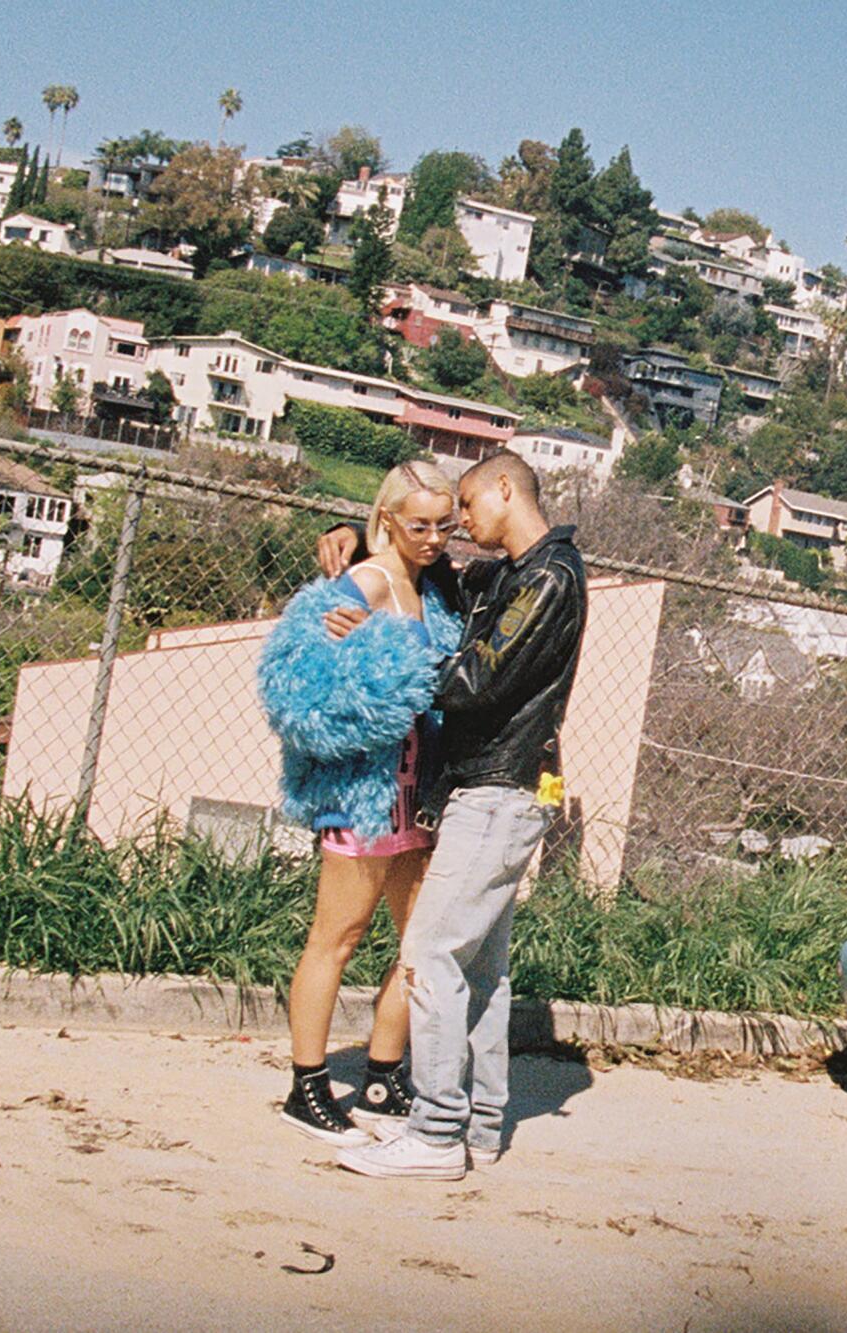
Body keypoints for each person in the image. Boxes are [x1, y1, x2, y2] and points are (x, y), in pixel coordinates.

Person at [312, 452, 586, 1180]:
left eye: (467, 505)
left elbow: (473, 680)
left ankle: (434, 1132)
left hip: (498, 790)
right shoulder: (509, 576)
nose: (461, 523)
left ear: (504, 488)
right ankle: (482, 1125)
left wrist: (374, 648)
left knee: (429, 955)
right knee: (483, 973)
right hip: (497, 790)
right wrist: (354, 532)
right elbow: (426, 572)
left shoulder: (549, 579)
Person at [258, 461, 464, 1146]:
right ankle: (306, 1084)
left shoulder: (435, 591)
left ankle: (381, 1073)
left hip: (418, 798)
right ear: (389, 521)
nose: (433, 537)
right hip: (364, 794)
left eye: (444, 524)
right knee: (337, 938)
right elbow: (298, 681)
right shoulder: (366, 581)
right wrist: (354, 655)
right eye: (419, 525)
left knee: (419, 940)